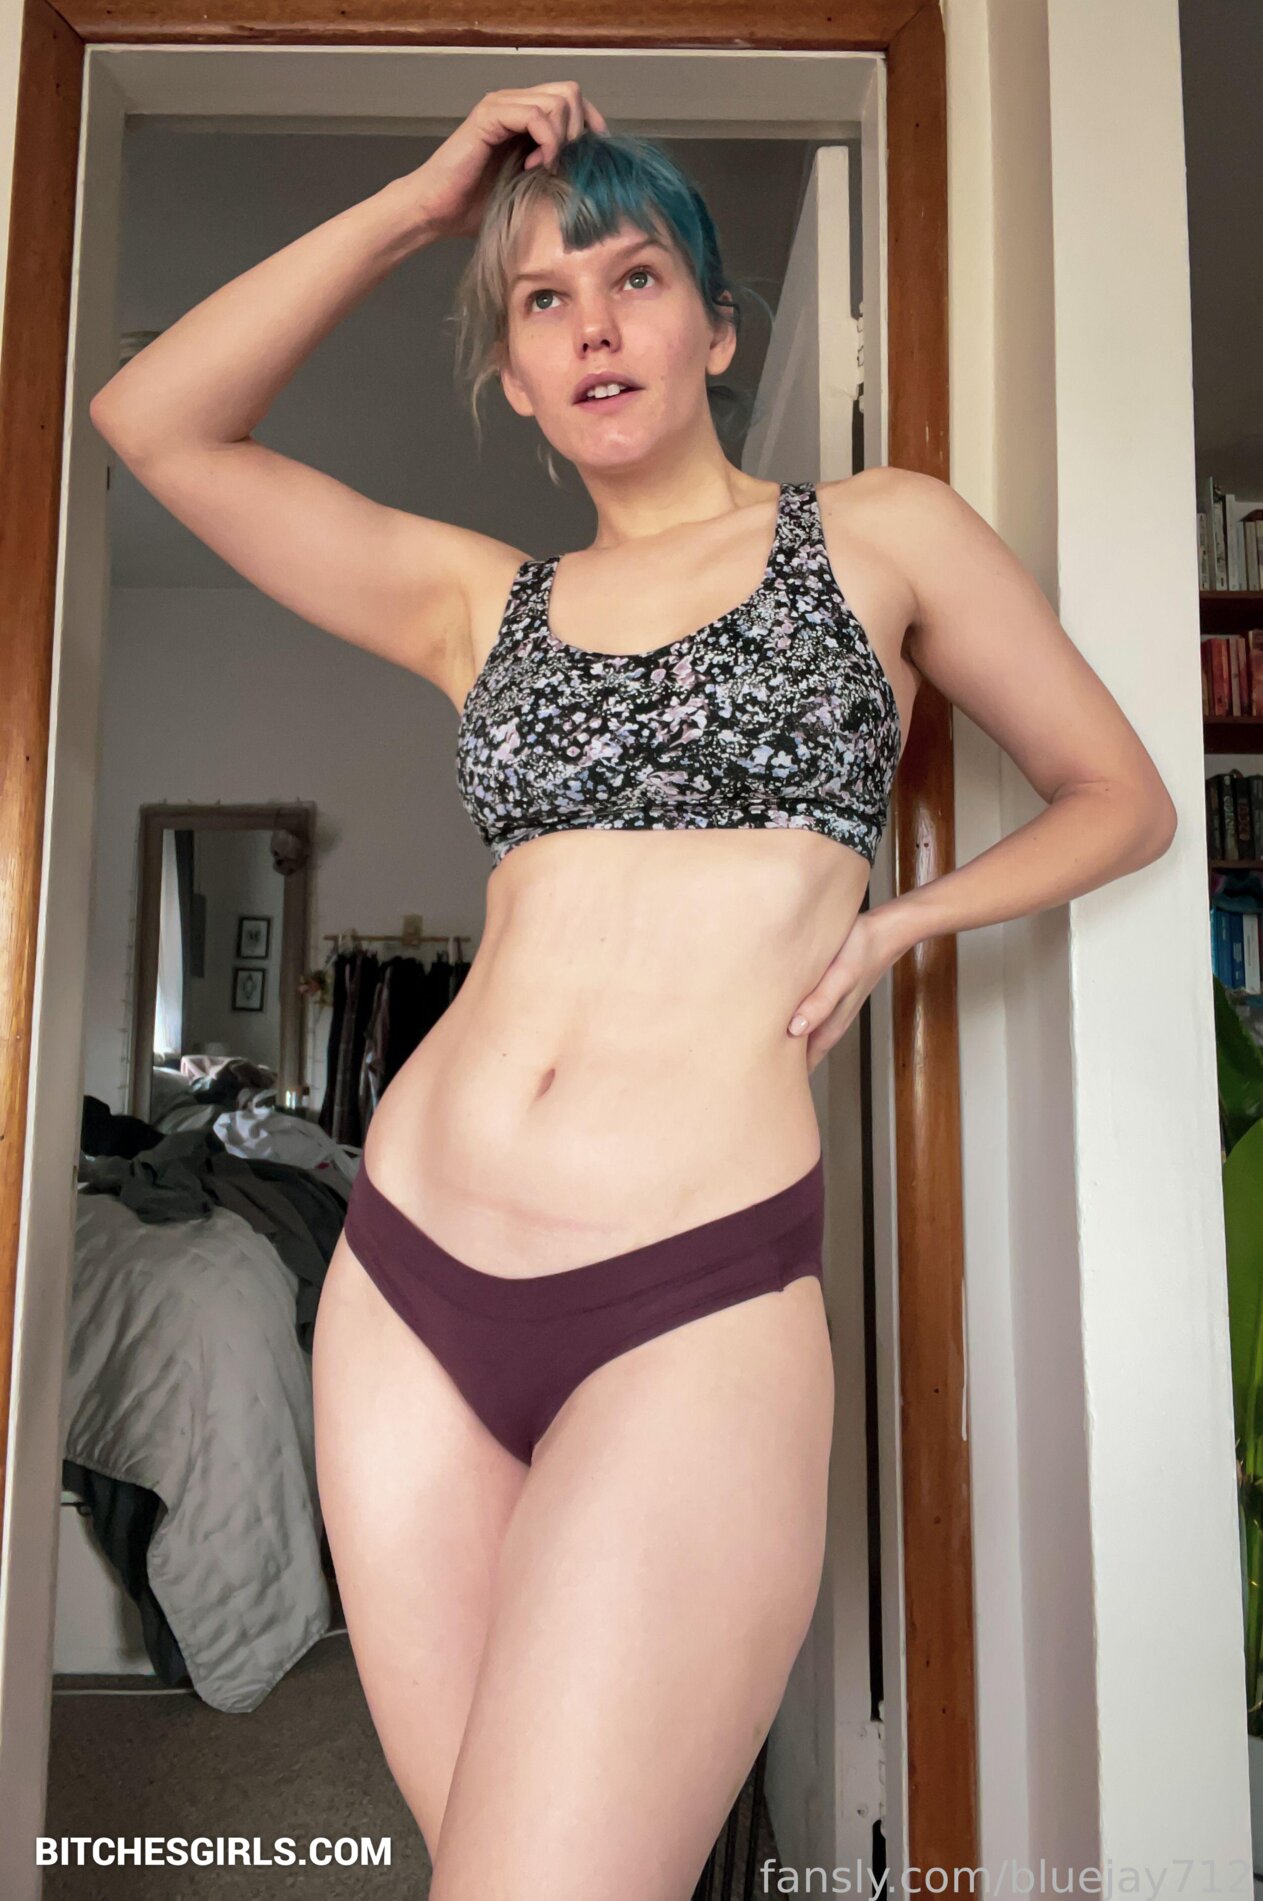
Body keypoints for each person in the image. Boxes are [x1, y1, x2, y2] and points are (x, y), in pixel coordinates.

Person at [88, 81, 1178, 1898]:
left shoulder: (880, 534)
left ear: (717, 327)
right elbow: (154, 422)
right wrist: (422, 205)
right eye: (543, 298)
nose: (592, 322)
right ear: (517, 378)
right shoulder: (481, 604)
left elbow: (1123, 796)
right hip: (409, 1288)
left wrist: (903, 923)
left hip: (690, 1292)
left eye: (635, 274)